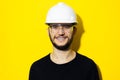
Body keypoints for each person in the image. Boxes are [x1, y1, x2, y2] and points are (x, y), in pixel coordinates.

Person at [29, 2, 100, 80]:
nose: (61, 32)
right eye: (55, 26)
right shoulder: (37, 69)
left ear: (74, 31)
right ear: (48, 31)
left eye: (66, 26)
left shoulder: (88, 67)